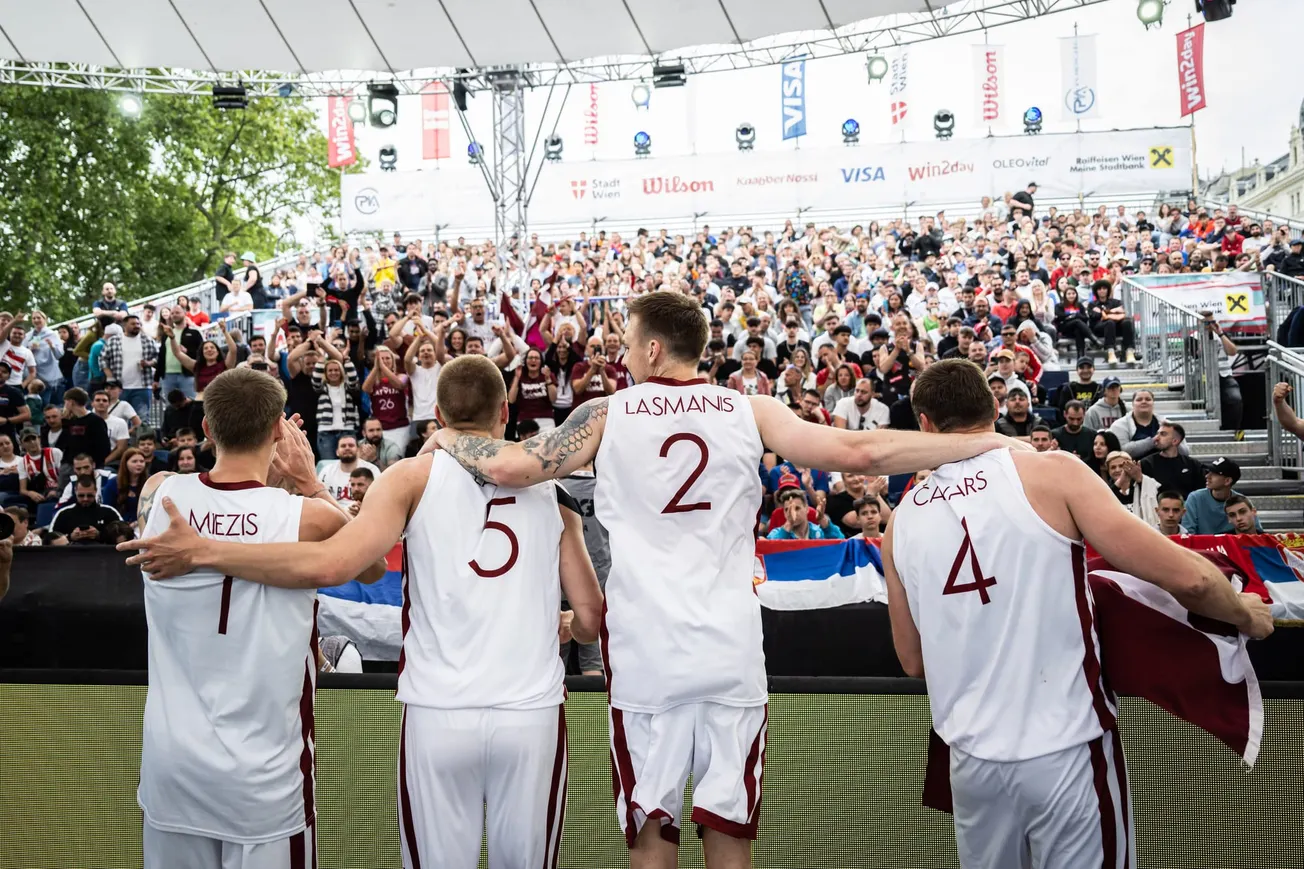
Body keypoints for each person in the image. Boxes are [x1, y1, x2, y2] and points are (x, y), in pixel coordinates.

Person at [424, 292, 1023, 867]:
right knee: (729, 838)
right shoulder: (750, 409)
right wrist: (985, 441)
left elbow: (510, 466)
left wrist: (450, 435)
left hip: (646, 661)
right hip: (731, 653)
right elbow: (857, 453)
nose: (623, 355)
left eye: (629, 344)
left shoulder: (605, 414)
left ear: (654, 350)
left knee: (652, 838)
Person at [122, 356, 603, 869]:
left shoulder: (161, 495)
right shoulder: (552, 495)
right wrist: (570, 626)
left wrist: (210, 545)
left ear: (435, 414)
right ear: (506, 410)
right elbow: (592, 618)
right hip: (528, 712)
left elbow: (345, 561)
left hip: (432, 712)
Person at [881, 358, 1273, 869]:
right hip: (1069, 745)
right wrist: (1245, 614)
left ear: (926, 425)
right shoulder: (1053, 471)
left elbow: (912, 660)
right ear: (996, 407)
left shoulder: (900, 522)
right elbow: (1190, 577)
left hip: (971, 762)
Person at [121, 368, 380, 869]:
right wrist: (306, 480)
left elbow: (222, 502)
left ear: (208, 431)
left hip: (172, 768)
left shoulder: (160, 495)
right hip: (264, 781)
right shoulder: (308, 517)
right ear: (281, 431)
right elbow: (368, 565)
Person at [1181, 457, 1261, 534]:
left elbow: (1256, 532)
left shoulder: (1241, 502)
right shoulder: (1195, 498)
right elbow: (1188, 533)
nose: (1207, 476)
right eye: (1208, 472)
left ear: (1227, 481)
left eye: (1214, 474)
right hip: (1201, 547)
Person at [50, 475, 122, 543]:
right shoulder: (63, 514)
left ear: (95, 491)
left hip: (102, 553)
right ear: (75, 491)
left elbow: (124, 535)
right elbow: (51, 540)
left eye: (89, 495)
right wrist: (70, 537)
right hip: (71, 553)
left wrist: (99, 535)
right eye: (81, 495)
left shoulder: (109, 512)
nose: (85, 499)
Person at [1139, 423, 1204, 498]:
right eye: (1157, 434)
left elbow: (1200, 493)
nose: (1156, 438)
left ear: (1175, 441)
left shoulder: (1193, 464)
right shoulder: (1146, 463)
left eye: (1163, 434)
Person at [315, 435, 379, 504]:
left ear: (358, 450)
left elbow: (379, 497)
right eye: (343, 446)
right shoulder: (327, 471)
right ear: (337, 452)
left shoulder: (372, 470)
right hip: (334, 512)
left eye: (351, 445)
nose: (347, 448)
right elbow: (319, 499)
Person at [58, 388, 112, 470]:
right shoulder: (71, 420)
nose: (64, 405)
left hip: (89, 466)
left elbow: (104, 448)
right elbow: (63, 443)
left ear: (71, 402)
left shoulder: (96, 421)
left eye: (66, 401)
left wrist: (93, 464)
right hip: (69, 465)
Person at [1087, 280, 1136, 366]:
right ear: (1096, 291)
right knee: (1110, 322)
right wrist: (1113, 311)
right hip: (1099, 328)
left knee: (1127, 322)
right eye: (1099, 289)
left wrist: (1104, 312)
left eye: (1104, 288)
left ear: (1108, 290)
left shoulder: (1115, 302)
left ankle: (1129, 351)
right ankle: (1110, 351)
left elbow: (1122, 312)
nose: (1102, 291)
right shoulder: (1092, 304)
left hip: (1116, 326)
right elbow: (1094, 316)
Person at [767, 487, 844, 540]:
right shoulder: (776, 534)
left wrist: (822, 519)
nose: (792, 512)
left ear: (807, 509)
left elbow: (841, 542)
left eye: (797, 508)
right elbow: (770, 550)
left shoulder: (819, 531)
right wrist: (789, 524)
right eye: (787, 509)